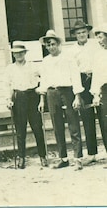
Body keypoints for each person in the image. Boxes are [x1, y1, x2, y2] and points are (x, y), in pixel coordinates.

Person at [37, 30, 84, 170]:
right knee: (57, 126)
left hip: (67, 92)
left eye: (53, 44)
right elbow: (43, 82)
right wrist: (42, 100)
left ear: (58, 44)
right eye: (48, 45)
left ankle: (77, 158)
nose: (51, 47)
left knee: (73, 124)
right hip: (52, 93)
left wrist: (77, 96)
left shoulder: (68, 58)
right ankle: (63, 158)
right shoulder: (45, 61)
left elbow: (76, 77)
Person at [5, 41, 47, 169]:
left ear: (25, 53)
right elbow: (7, 85)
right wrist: (8, 99)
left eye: (21, 53)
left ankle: (43, 156)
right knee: (20, 130)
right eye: (16, 53)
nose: (18, 55)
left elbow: (43, 80)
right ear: (13, 55)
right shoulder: (10, 68)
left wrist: (41, 99)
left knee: (37, 128)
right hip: (19, 98)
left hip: (32, 96)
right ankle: (21, 157)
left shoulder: (33, 66)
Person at [68, 20, 101, 165]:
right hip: (82, 81)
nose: (81, 35)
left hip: (97, 77)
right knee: (87, 118)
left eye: (83, 32)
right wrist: (78, 92)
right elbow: (74, 72)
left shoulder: (95, 45)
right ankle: (92, 153)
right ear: (75, 35)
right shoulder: (72, 50)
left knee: (103, 115)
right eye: (78, 33)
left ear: (87, 32)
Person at [91, 24, 107, 158]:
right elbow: (96, 76)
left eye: (101, 37)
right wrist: (96, 94)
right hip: (104, 91)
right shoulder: (97, 55)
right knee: (105, 122)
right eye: (97, 38)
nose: (99, 40)